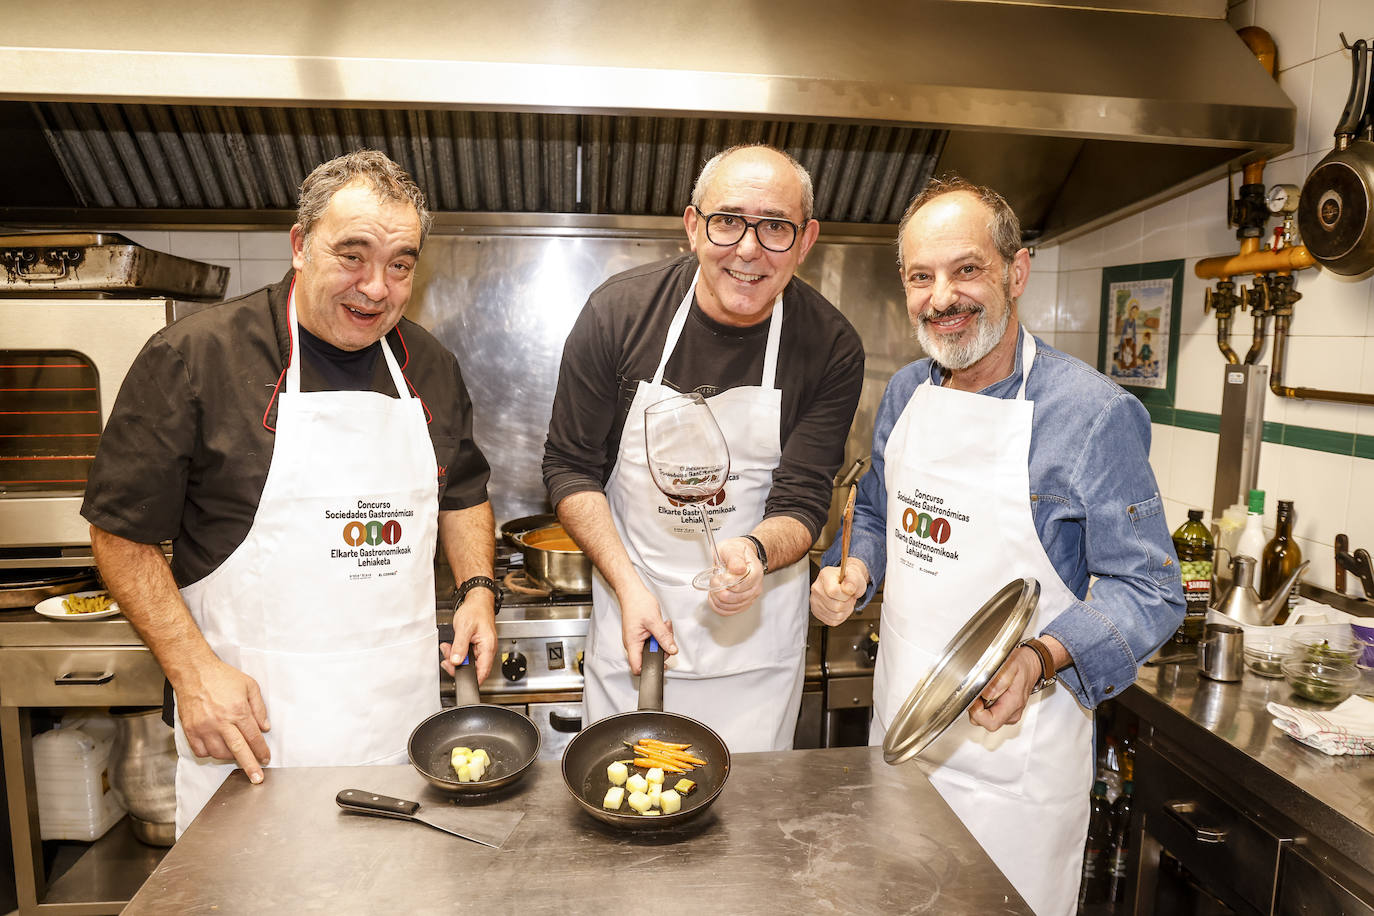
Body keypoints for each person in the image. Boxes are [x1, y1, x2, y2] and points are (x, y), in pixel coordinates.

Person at [82, 150, 499, 836]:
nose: (376, 288)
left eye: (400, 265)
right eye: (352, 256)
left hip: (396, 732)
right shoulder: (195, 357)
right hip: (251, 735)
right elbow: (119, 534)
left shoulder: (429, 365)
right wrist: (192, 672)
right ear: (301, 245)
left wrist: (478, 587)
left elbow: (462, 490)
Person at [810, 177, 1183, 916]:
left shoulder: (1092, 415)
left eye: (966, 269)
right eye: (921, 277)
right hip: (903, 738)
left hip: (1017, 772)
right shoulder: (905, 393)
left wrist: (1040, 657)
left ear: (1016, 272)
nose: (941, 297)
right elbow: (877, 514)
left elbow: (1150, 589)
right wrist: (850, 567)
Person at [543, 144, 865, 753]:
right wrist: (627, 585)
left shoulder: (830, 345)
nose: (748, 249)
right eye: (728, 221)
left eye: (775, 227)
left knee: (749, 809)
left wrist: (753, 552)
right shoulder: (619, 313)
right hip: (633, 621)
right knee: (625, 796)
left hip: (755, 650)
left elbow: (802, 501)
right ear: (693, 226)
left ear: (806, 241)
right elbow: (569, 467)